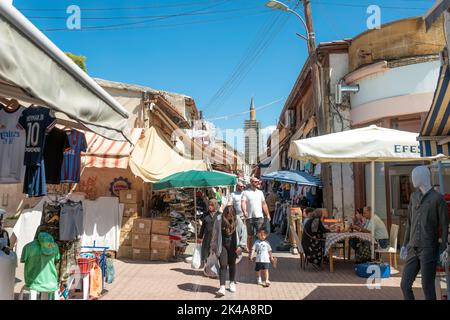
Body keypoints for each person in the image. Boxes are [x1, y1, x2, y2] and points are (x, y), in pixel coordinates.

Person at [400, 166, 448, 300]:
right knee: (404, 285)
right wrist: (404, 244)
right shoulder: (414, 196)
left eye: (415, 176)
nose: (412, 179)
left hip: (429, 248)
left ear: (423, 177)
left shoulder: (438, 198)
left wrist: (444, 248)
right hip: (412, 247)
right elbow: (410, 223)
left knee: (427, 287)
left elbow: (444, 225)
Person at [210, 205, 247, 297]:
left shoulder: (238, 219)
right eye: (227, 214)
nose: (229, 216)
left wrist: (241, 246)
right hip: (222, 246)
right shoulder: (219, 220)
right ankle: (222, 287)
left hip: (234, 246)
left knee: (232, 264)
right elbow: (215, 233)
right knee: (223, 265)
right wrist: (213, 246)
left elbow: (243, 232)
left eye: (231, 215)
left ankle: (231, 282)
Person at [241, 177, 271, 258]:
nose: (257, 183)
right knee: (250, 236)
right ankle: (250, 252)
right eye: (255, 182)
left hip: (259, 217)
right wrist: (244, 211)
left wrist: (267, 214)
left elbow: (264, 204)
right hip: (249, 217)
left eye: (258, 182)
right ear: (251, 182)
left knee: (260, 235)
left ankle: (260, 252)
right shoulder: (245, 192)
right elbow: (243, 203)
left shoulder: (260, 192)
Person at [198, 199, 220, 267]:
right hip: (207, 238)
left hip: (216, 238)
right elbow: (203, 227)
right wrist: (200, 237)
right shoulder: (206, 215)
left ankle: (214, 270)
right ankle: (207, 269)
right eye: (209, 205)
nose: (210, 207)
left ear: (215, 206)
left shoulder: (219, 215)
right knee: (206, 254)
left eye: (212, 205)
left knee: (215, 254)